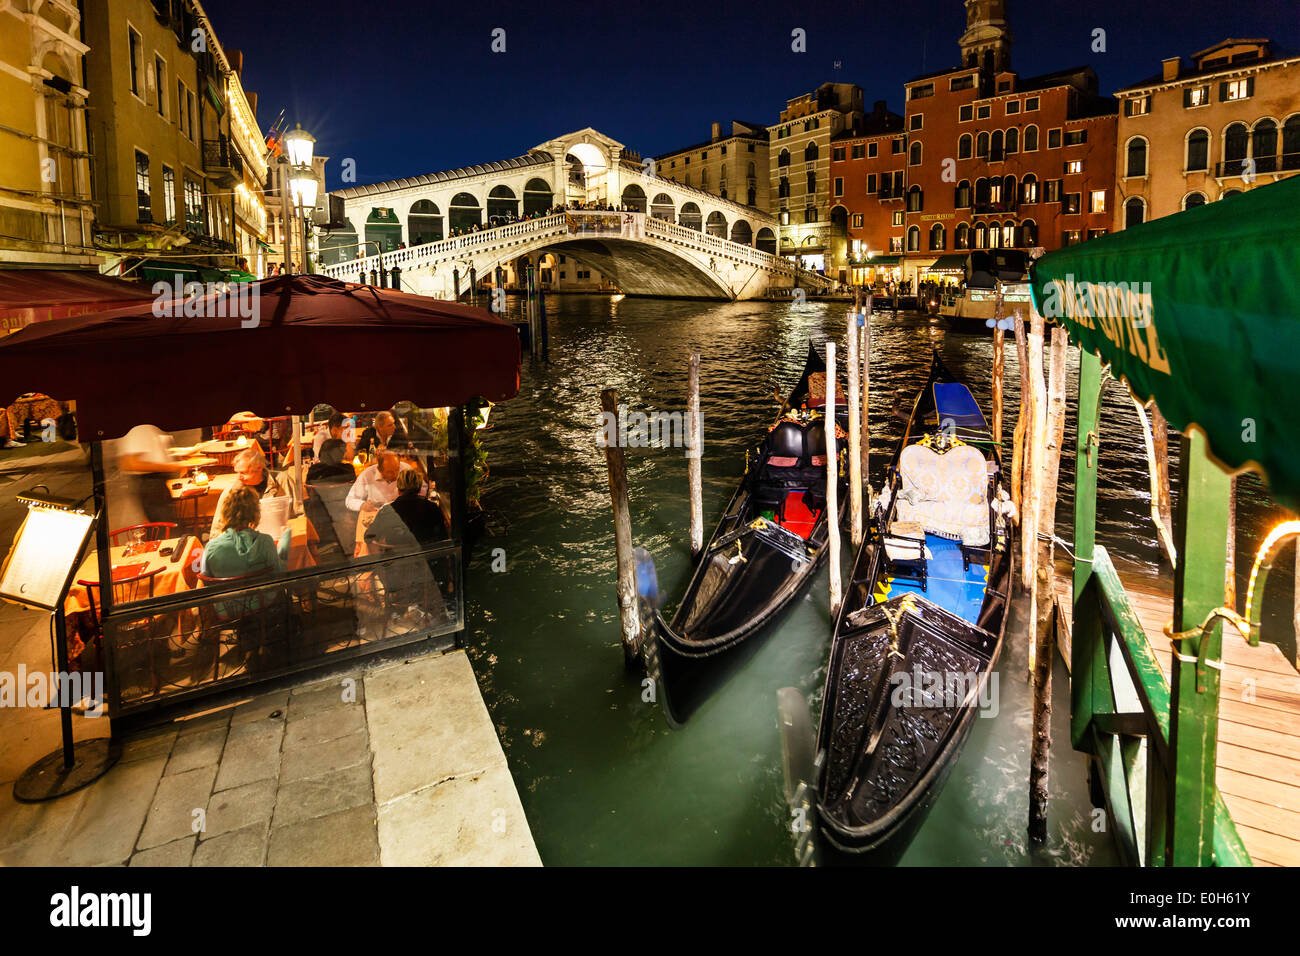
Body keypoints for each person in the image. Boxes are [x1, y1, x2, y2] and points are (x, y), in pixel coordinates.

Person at [208, 447, 299, 539]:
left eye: (243, 472)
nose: (239, 477)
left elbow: (299, 514)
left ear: (259, 468)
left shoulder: (282, 481)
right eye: (238, 472)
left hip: (280, 538)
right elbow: (218, 525)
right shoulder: (232, 491)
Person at [200, 485, 289, 578]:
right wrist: (285, 540)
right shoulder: (266, 542)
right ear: (256, 512)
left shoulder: (211, 548)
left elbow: (205, 580)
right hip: (260, 592)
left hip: (227, 592)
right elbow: (279, 575)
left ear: (225, 511)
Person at [118, 423, 189, 524]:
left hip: (156, 482)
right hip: (150, 483)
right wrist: (171, 466)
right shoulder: (139, 429)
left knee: (167, 523)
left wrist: (173, 454)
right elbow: (130, 463)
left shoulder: (150, 427)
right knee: (164, 525)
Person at [365, 467, 448, 550]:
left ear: (398, 489)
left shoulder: (386, 511)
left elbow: (368, 537)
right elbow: (443, 538)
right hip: (425, 559)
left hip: (396, 560)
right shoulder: (432, 508)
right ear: (419, 488)